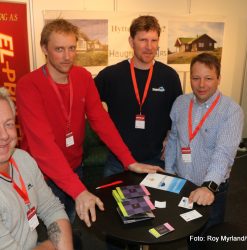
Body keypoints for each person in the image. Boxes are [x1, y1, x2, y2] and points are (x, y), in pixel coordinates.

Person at [16, 18, 163, 227]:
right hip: (43, 175)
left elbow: (101, 121)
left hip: (75, 167)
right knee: (54, 229)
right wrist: (78, 191)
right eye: (59, 49)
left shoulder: (82, 77)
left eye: (72, 48)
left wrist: (129, 160)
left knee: (74, 222)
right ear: (44, 49)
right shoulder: (28, 86)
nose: (67, 57)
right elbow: (43, 147)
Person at [165, 53, 244, 235]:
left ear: (218, 79)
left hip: (211, 188)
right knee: (186, 230)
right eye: (196, 78)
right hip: (182, 183)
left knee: (208, 236)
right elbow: (173, 140)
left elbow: (223, 154)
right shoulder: (180, 103)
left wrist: (208, 187)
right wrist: (169, 173)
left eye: (208, 78)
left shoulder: (232, 111)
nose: (201, 85)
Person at [95, 15, 182, 177]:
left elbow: (178, 114)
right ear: (131, 41)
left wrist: (170, 138)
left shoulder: (169, 76)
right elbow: (86, 102)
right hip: (118, 161)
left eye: (154, 40)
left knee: (156, 203)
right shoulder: (111, 75)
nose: (149, 47)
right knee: (113, 202)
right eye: (143, 40)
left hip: (156, 160)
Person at [0, 87, 73, 250]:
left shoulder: (22, 158)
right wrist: (52, 246)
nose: (4, 135)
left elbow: (52, 209)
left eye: (8, 124)